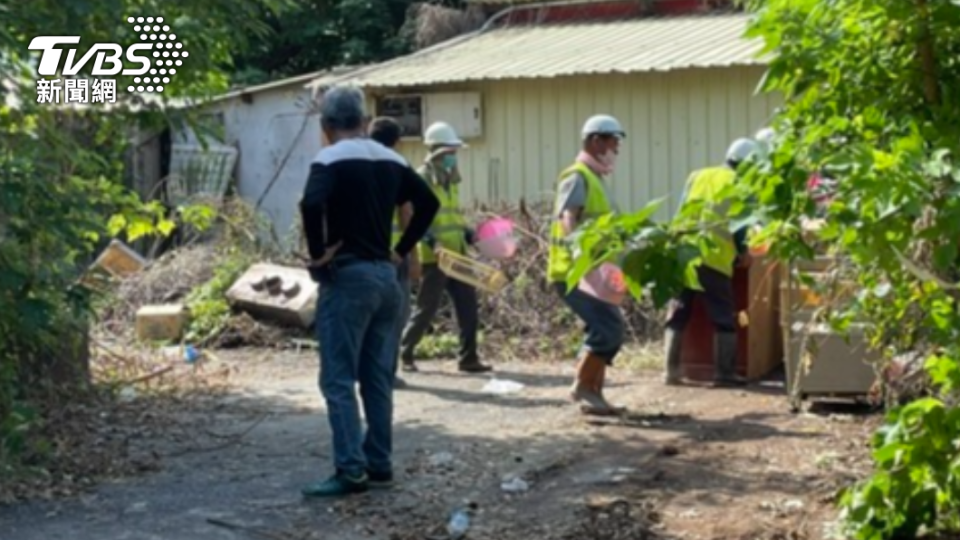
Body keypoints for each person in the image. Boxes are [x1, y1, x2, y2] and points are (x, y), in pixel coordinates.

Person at [299, 85, 440, 498]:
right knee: (376, 377)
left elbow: (310, 205)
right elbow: (428, 204)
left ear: (326, 126)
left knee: (338, 378)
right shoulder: (392, 159)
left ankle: (350, 469)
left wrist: (318, 254)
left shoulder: (328, 159)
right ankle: (379, 463)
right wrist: (401, 250)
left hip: (349, 278)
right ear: (363, 123)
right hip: (385, 278)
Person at [663, 138, 759, 388]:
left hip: (683, 253)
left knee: (678, 312)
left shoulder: (698, 175)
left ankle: (671, 372)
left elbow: (681, 210)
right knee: (723, 316)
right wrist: (744, 252)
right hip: (713, 256)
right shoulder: (740, 184)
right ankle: (724, 373)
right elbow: (739, 227)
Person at [548, 114, 627, 416]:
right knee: (608, 328)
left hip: (598, 270)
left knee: (605, 326)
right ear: (596, 141)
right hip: (575, 271)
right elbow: (568, 217)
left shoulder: (596, 179)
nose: (615, 149)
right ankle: (582, 388)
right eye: (612, 142)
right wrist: (579, 252)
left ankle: (594, 394)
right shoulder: (577, 175)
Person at [399, 121, 492, 374]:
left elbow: (453, 217)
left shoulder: (449, 179)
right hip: (435, 256)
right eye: (450, 152)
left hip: (457, 253)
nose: (453, 157)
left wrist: (471, 234)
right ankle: (404, 353)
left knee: (468, 307)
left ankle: (469, 358)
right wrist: (432, 242)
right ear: (438, 151)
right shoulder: (421, 178)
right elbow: (415, 217)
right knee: (426, 308)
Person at [368, 116, 420, 390]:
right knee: (394, 316)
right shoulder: (397, 167)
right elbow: (407, 212)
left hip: (361, 255)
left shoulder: (355, 165)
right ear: (397, 142)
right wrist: (411, 254)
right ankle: (385, 372)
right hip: (392, 256)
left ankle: (366, 371)